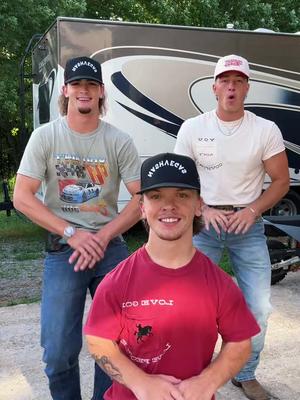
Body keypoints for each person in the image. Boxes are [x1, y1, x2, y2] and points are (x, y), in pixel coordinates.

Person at [13, 56, 141, 400]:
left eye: (91, 85)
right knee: (57, 353)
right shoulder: (45, 137)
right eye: (77, 84)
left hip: (109, 249)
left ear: (100, 93)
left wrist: (101, 236)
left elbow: (141, 200)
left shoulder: (119, 141)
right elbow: (22, 197)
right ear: (66, 90)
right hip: (63, 251)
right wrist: (72, 233)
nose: (84, 91)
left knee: (115, 344)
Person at [84, 152, 260, 400]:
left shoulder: (219, 284)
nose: (169, 205)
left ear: (199, 205)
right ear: (142, 208)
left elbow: (240, 342)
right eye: (156, 196)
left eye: (182, 195)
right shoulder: (117, 281)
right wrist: (141, 383)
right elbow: (98, 340)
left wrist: (207, 381)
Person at [174, 54, 290, 400]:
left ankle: (245, 372)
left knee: (257, 305)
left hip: (247, 226)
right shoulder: (193, 129)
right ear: (214, 88)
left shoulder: (264, 130)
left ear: (247, 88)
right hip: (203, 226)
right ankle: (192, 371)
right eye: (225, 81)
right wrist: (201, 208)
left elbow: (281, 181)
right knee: (193, 304)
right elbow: (179, 181)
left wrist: (253, 211)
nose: (231, 87)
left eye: (238, 81)